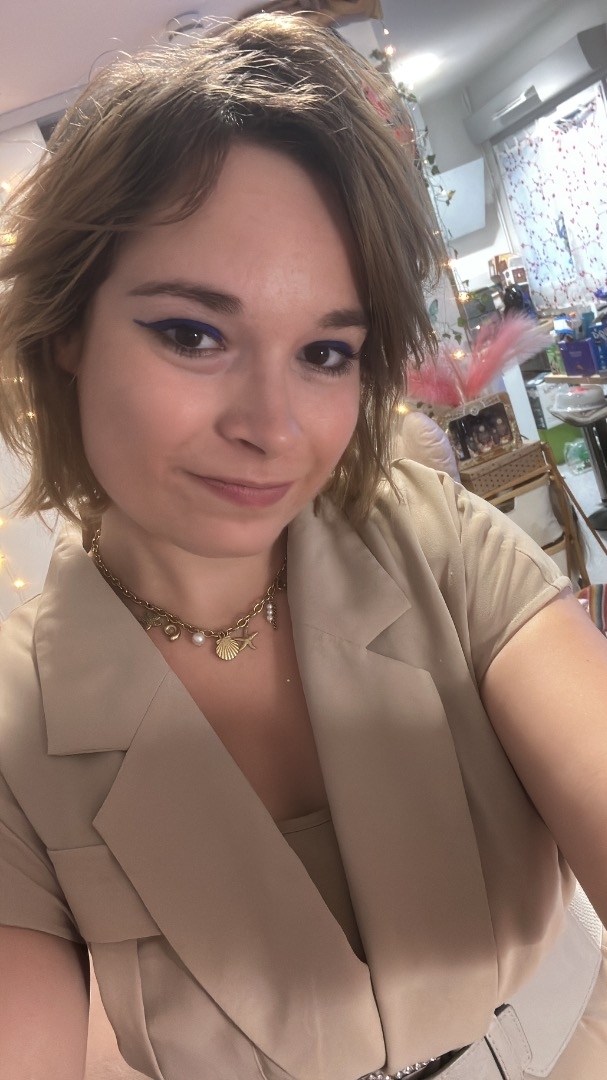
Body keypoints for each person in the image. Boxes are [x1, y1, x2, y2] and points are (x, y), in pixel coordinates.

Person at [0, 14, 606, 1080]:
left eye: (325, 351)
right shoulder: (19, 724)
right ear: (68, 333)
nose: (272, 428)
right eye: (193, 333)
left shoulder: (435, 543)